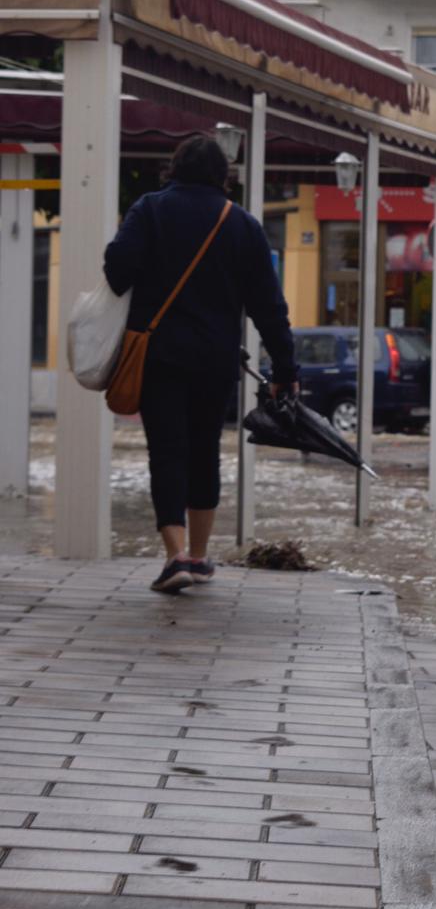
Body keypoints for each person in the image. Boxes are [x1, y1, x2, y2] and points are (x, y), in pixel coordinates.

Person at [104, 134, 298, 595]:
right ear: (223, 177)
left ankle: (174, 557)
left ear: (174, 168)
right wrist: (285, 371)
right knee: (203, 449)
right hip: (215, 360)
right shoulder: (243, 225)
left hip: (159, 355)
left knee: (166, 451)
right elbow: (269, 307)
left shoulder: (149, 209)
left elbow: (116, 271)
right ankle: (200, 554)